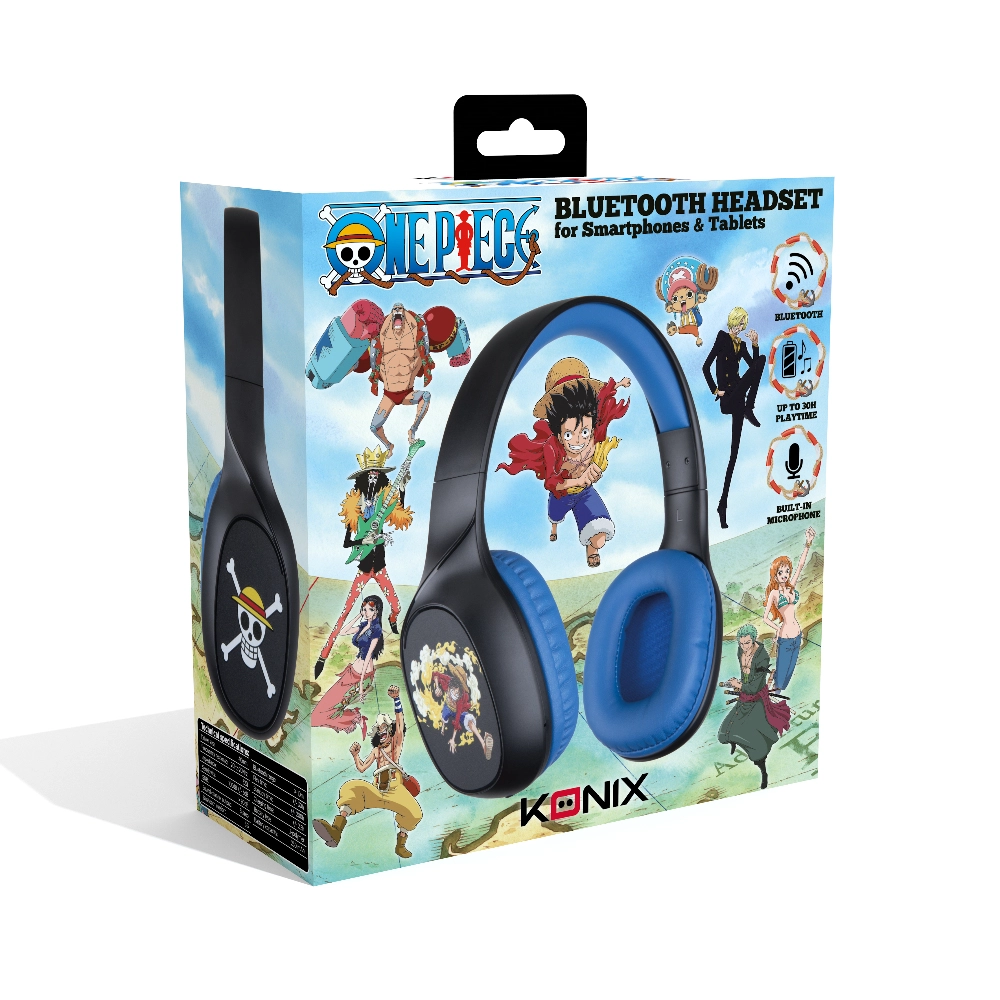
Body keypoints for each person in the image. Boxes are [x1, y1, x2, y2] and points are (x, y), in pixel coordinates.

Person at [496, 357, 630, 569]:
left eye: (584, 432)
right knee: (555, 515)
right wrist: (579, 479)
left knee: (599, 534)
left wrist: (618, 384)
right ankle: (554, 527)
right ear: (558, 433)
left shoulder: (596, 432)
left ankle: (592, 549)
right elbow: (551, 482)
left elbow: (604, 400)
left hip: (585, 492)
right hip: (562, 494)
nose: (578, 440)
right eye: (569, 435)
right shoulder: (551, 447)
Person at [314, 447, 412, 678]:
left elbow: (397, 510)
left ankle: (392, 619)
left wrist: (402, 489)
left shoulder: (382, 502)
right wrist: (363, 539)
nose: (373, 477)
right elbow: (347, 542)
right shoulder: (354, 507)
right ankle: (323, 656)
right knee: (345, 612)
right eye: (370, 473)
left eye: (377, 473)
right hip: (363, 569)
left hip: (380, 568)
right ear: (363, 478)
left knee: (396, 605)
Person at [313, 685, 422, 860]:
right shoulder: (376, 751)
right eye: (379, 729)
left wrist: (396, 699)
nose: (382, 732)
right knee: (352, 787)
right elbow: (362, 768)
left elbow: (400, 723)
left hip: (396, 790)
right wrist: (356, 755)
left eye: (385, 728)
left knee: (415, 813)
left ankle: (401, 845)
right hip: (377, 790)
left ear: (390, 730)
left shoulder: (396, 746)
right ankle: (336, 831)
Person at [702, 307, 766, 529]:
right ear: (732, 322)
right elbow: (706, 366)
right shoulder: (722, 338)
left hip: (739, 397)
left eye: (742, 326)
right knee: (761, 361)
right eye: (738, 324)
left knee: (734, 453)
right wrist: (715, 390)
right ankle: (750, 407)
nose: (740, 328)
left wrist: (755, 344)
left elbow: (754, 368)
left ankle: (722, 506)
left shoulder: (742, 345)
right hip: (728, 398)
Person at [717, 624, 790, 789]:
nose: (744, 647)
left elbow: (754, 687)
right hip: (744, 698)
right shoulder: (740, 650)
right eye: (741, 643)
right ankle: (733, 744)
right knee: (724, 733)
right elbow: (745, 675)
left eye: (747, 643)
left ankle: (763, 773)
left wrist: (738, 685)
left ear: (754, 640)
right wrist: (739, 683)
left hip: (756, 700)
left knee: (756, 746)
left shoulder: (763, 657)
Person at [311, 596, 385, 735]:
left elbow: (368, 655)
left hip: (361, 677)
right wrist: (358, 615)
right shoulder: (364, 625)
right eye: (364, 609)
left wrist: (361, 685)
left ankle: (356, 718)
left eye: (370, 609)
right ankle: (356, 718)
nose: (366, 612)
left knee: (330, 708)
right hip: (351, 673)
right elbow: (343, 631)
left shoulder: (376, 629)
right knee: (324, 708)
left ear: (376, 611)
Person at [368, 303, 433, 458]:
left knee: (426, 396)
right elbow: (374, 360)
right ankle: (389, 446)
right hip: (389, 395)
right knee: (374, 427)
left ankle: (412, 430)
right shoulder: (383, 334)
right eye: (395, 309)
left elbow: (424, 349)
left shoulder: (414, 329)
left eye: (400, 309)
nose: (397, 310)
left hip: (407, 393)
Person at [763, 527, 816, 690]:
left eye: (787, 571)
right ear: (775, 575)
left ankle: (775, 687)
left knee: (788, 675)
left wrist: (808, 543)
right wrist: (777, 628)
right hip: (785, 638)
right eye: (781, 572)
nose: (785, 575)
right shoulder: (774, 593)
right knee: (781, 680)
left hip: (797, 636)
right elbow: (765, 618)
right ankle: (773, 689)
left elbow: (800, 565)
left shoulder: (791, 587)